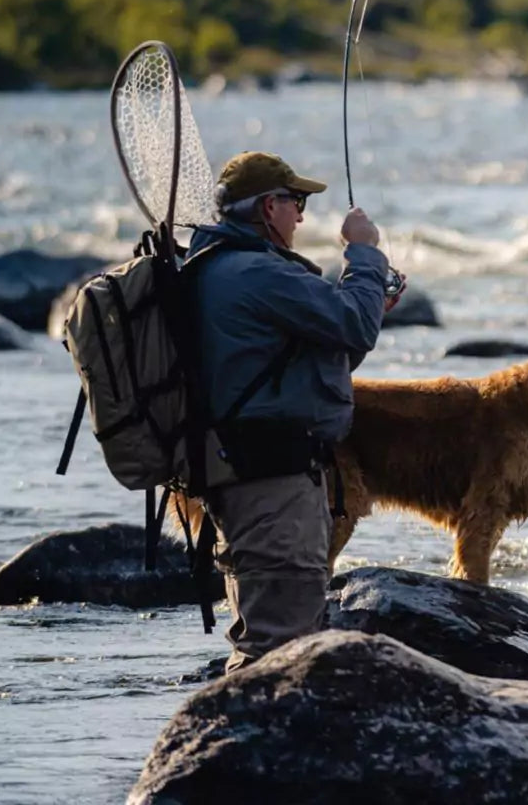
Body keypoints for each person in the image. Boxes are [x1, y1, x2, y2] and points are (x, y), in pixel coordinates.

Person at [186, 150, 393, 672]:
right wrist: (364, 256)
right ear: (268, 206)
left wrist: (368, 304)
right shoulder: (257, 272)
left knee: (269, 637)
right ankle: (237, 748)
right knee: (281, 647)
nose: (301, 214)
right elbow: (352, 324)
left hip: (245, 473)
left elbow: (325, 358)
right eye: (296, 201)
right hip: (270, 481)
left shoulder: (218, 266)